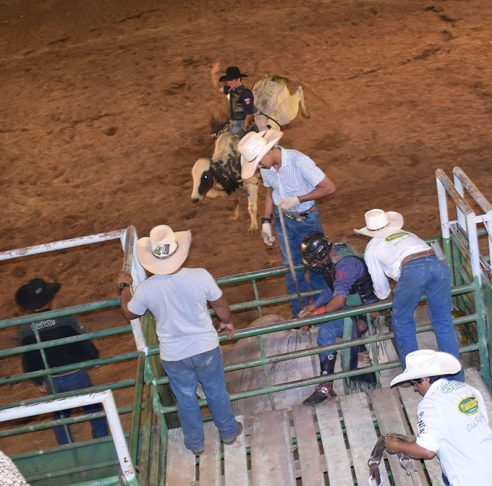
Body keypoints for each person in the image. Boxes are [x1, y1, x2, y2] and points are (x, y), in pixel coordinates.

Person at [117, 224, 241, 455]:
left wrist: (125, 287)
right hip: (205, 347)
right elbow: (220, 304)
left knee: (185, 398)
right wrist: (227, 321)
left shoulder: (146, 289)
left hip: (174, 355)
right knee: (216, 390)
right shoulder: (200, 276)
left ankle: (195, 443)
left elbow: (129, 312)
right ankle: (228, 431)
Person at [355, 209, 463, 381]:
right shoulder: (407, 234)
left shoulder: (372, 248)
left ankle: (416, 377)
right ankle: (455, 377)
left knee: (403, 322)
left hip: (413, 270)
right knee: (443, 321)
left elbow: (382, 290)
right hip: (437, 265)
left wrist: (386, 295)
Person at [238, 129, 336, 317]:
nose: (258, 168)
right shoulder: (267, 168)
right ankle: (298, 314)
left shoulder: (299, 161)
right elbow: (271, 192)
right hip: (283, 220)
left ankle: (320, 311)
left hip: (306, 220)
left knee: (317, 264)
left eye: (258, 163)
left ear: (266, 153)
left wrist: (299, 199)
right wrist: (266, 221)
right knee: (291, 268)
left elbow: (329, 187)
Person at [384, 350, 492, 486]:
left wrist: (397, 445)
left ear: (425, 379)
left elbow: (427, 451)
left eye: (415, 384)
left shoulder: (430, 404)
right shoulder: (467, 389)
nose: (415, 389)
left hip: (471, 480)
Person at [16, 278, 109, 445]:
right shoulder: (65, 319)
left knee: (60, 414)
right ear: (50, 299)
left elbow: (29, 359)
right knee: (92, 406)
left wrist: (38, 381)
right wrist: (93, 357)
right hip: (76, 373)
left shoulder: (25, 329)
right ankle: (101, 440)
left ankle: (65, 445)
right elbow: (83, 343)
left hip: (51, 378)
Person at [297, 232, 378, 405]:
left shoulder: (345, 266)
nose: (314, 265)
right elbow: (333, 287)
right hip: (355, 305)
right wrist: (314, 306)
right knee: (324, 317)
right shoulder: (337, 253)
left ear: (322, 254)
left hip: (365, 311)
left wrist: (316, 315)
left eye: (314, 261)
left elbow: (339, 299)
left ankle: (326, 385)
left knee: (326, 331)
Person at [210, 62, 255, 138]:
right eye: (228, 80)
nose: (229, 82)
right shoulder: (231, 90)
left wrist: (244, 129)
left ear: (238, 79)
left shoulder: (245, 94)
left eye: (231, 80)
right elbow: (218, 87)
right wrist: (213, 74)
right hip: (233, 124)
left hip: (241, 125)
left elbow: (250, 115)